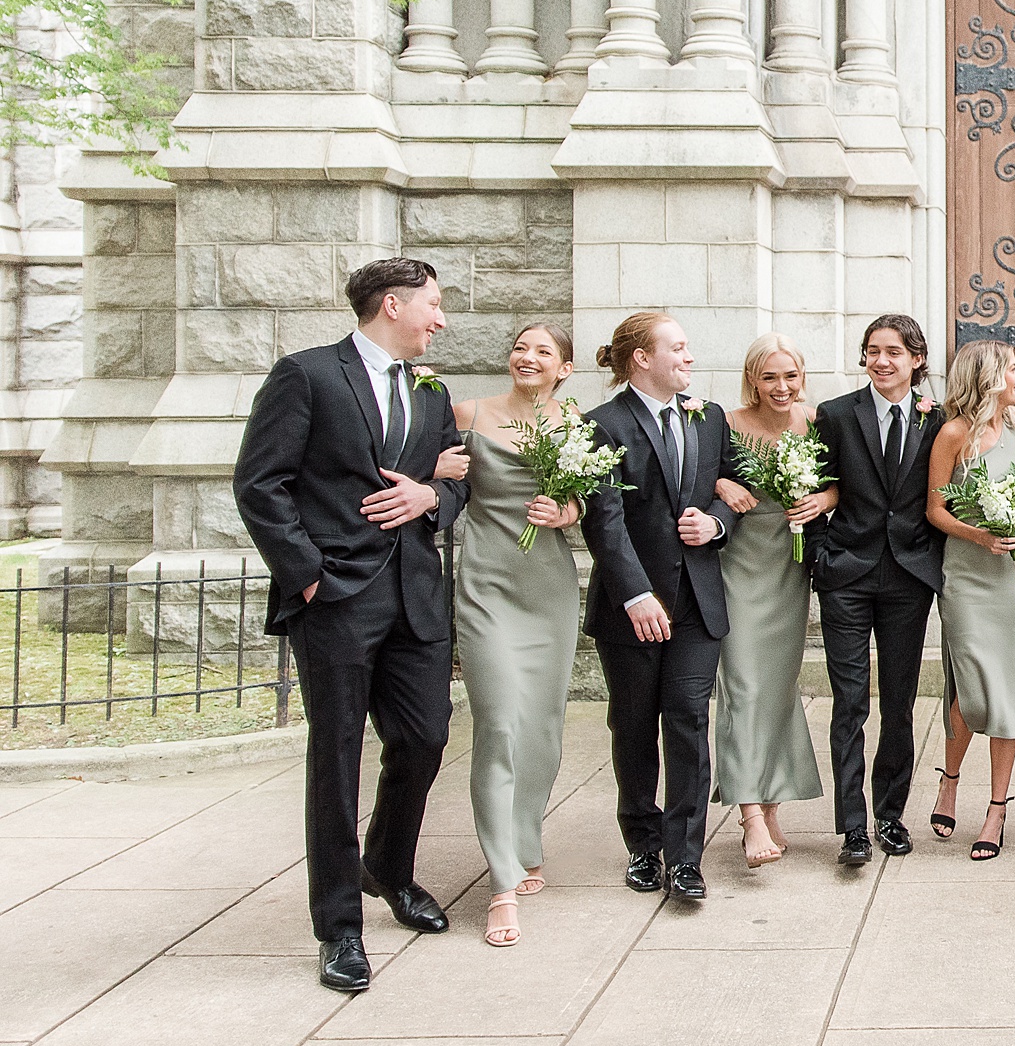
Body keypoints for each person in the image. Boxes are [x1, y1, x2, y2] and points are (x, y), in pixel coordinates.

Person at [233, 256, 468, 993]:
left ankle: (388, 870)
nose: (440, 319)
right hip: (334, 597)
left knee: (426, 735)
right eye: (432, 305)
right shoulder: (306, 375)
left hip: (415, 596)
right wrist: (308, 575)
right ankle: (339, 925)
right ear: (392, 304)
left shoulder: (432, 391)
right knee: (336, 757)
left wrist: (431, 496)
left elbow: (460, 481)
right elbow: (259, 482)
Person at [579, 311, 738, 905]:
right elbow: (605, 521)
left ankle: (686, 857)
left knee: (689, 721)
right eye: (678, 348)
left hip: (697, 602)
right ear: (642, 358)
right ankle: (644, 847)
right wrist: (636, 593)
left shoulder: (709, 417)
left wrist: (716, 522)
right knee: (635, 727)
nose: (688, 357)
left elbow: (734, 487)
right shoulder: (601, 425)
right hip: (634, 606)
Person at [446, 322, 584, 948]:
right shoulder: (467, 413)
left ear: (565, 369)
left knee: (540, 725)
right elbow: (441, 490)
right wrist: (440, 471)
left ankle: (525, 836)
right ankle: (501, 883)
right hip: (487, 585)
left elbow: (593, 502)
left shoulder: (577, 427)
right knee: (499, 720)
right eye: (521, 348)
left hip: (547, 588)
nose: (528, 358)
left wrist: (567, 511)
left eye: (543, 352)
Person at [809, 314, 945, 865]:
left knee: (899, 702)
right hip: (847, 574)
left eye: (893, 351)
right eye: (872, 351)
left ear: (916, 358)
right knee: (849, 703)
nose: (881, 360)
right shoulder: (837, 415)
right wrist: (822, 553)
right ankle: (852, 827)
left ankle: (889, 816)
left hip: (908, 578)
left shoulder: (937, 420)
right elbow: (816, 484)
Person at [926, 341, 1015, 861]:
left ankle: (997, 807)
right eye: (1012, 370)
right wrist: (979, 536)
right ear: (989, 377)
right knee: (972, 688)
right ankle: (950, 779)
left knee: (1010, 688)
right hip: (971, 576)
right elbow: (935, 511)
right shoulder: (954, 434)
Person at [711, 335, 830, 866]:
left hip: (790, 566)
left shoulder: (818, 422)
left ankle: (772, 806)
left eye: (790, 377)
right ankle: (750, 816)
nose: (781, 388)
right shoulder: (727, 424)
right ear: (752, 380)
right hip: (740, 566)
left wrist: (822, 498)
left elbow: (845, 483)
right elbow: (693, 472)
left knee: (778, 689)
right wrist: (719, 483)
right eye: (769, 377)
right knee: (742, 685)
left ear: (802, 377)